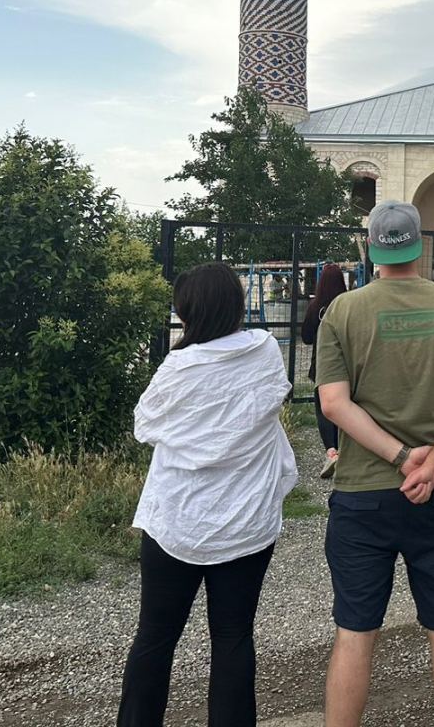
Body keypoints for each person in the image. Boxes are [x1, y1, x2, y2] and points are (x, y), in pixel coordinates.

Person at [316, 201, 434, 727]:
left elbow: (333, 404)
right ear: (420, 245)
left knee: (354, 633)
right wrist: (433, 461)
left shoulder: (342, 312)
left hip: (362, 494)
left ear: (372, 248)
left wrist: (399, 458)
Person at [118, 263, 299, 727]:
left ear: (188, 313)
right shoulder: (264, 350)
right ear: (236, 305)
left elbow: (145, 424)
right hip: (246, 520)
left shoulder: (179, 367)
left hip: (177, 520)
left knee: (155, 638)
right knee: (233, 636)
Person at [301, 262, 348, 479]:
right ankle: (346, 449)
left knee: (323, 408)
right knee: (346, 405)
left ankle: (331, 451)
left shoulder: (316, 307)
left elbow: (306, 337)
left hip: (321, 364)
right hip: (347, 363)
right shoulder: (348, 303)